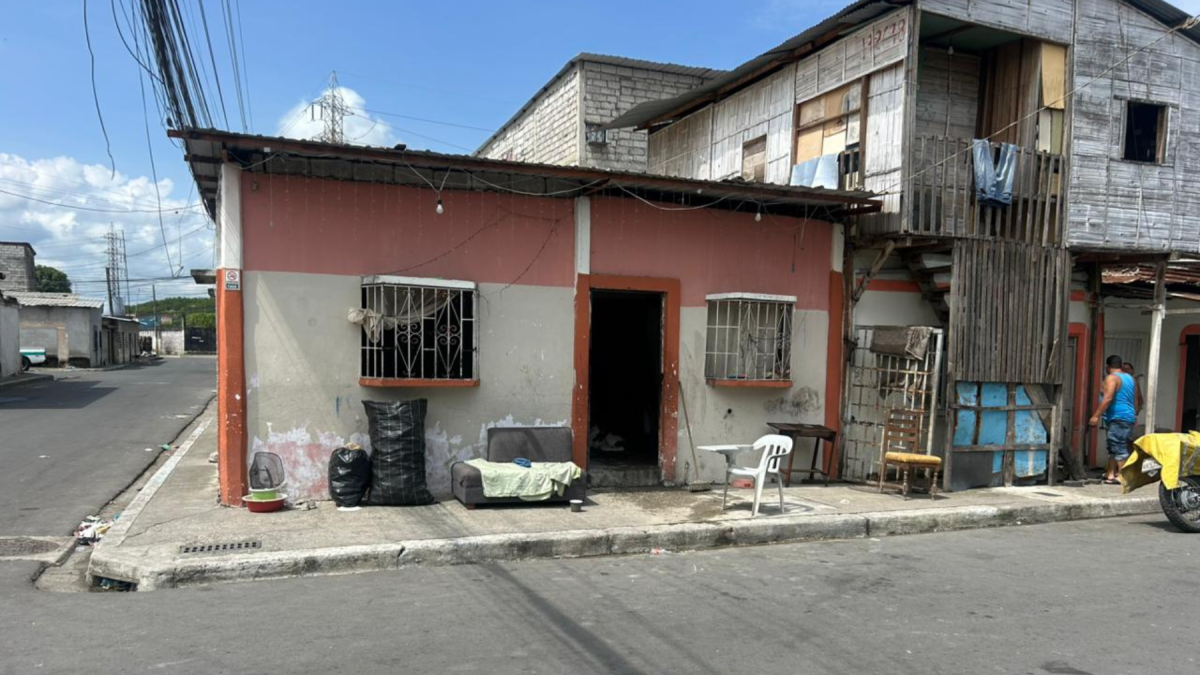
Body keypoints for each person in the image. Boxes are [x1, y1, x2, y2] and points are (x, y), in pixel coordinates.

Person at [1090, 355, 1138, 484]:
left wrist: (1096, 415)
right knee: (1113, 446)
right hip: (1126, 417)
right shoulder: (1130, 379)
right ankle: (1110, 473)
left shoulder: (1112, 378)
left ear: (1108, 366)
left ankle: (1123, 476)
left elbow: (1108, 398)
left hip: (1118, 417)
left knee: (1118, 446)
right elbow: (1136, 398)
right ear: (1121, 365)